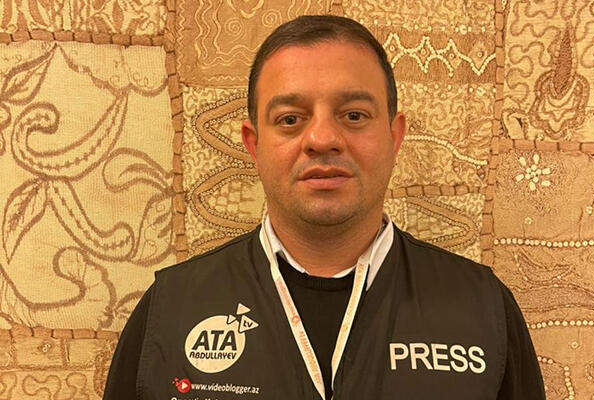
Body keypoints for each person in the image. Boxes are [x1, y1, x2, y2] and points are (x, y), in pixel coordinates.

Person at [103, 15, 545, 400]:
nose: (322, 139)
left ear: (394, 137)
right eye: (290, 119)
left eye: (353, 115)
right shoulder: (170, 312)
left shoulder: (483, 309)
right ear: (254, 145)